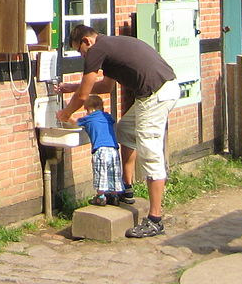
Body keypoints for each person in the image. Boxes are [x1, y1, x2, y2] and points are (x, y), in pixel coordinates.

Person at [56, 24, 179, 239]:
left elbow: (84, 96)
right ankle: (127, 189)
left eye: (79, 50)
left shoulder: (96, 50)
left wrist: (65, 115)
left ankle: (155, 219)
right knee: (125, 129)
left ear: (87, 41)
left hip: (155, 94)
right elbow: (105, 87)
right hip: (161, 89)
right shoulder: (109, 45)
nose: (82, 55)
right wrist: (71, 87)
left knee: (150, 153)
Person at [74, 93, 125, 206]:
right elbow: (111, 121)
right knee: (114, 172)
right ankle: (114, 195)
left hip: (100, 150)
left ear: (90, 109)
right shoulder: (107, 116)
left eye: (86, 110)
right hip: (113, 149)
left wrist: (65, 117)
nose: (86, 113)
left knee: (100, 173)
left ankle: (101, 197)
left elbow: (74, 124)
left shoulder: (88, 119)